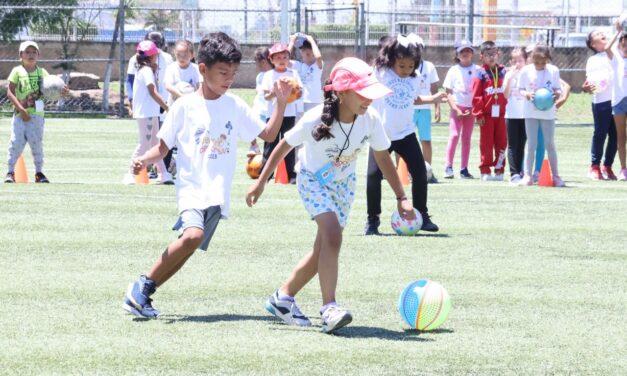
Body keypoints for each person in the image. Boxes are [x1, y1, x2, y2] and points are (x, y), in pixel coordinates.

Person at [122, 32, 292, 318]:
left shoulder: (234, 105)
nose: (229, 79)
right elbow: (162, 146)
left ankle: (144, 294)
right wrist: (143, 160)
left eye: (234, 73)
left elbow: (269, 133)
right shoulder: (184, 106)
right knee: (192, 235)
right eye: (223, 72)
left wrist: (282, 103)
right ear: (203, 70)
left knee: (189, 247)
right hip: (190, 188)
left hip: (216, 195)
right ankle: (139, 285)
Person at [245, 57, 415, 334]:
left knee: (324, 248)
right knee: (333, 236)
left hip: (343, 185)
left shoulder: (371, 119)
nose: (369, 100)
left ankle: (283, 298)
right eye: (363, 93)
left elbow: (384, 158)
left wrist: (401, 197)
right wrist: (261, 182)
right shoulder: (314, 118)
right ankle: (329, 308)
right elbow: (283, 146)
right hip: (312, 181)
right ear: (343, 91)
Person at [365, 33, 447, 235]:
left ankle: (423, 215)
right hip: (381, 134)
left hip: (406, 133)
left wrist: (434, 98)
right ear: (392, 60)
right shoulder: (381, 72)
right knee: (373, 177)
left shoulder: (416, 78)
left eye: (411, 66)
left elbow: (414, 99)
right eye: (402, 66)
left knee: (420, 173)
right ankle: (372, 221)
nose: (406, 70)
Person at [4, 41, 67, 184]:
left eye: (34, 52)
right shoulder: (17, 71)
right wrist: (21, 109)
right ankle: (10, 172)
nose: (31, 55)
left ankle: (39, 173)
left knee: (36, 143)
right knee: (16, 143)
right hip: (20, 115)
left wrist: (62, 92)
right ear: (20, 55)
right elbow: (10, 92)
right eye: (27, 52)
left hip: (37, 116)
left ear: (38, 55)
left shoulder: (42, 73)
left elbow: (51, 91)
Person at [122, 41, 173, 185]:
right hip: (147, 113)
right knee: (144, 145)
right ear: (151, 56)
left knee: (155, 144)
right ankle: (130, 173)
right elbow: (152, 91)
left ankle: (163, 174)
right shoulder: (146, 71)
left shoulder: (145, 70)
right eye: (155, 54)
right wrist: (166, 106)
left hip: (149, 112)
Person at [517, 43, 565, 187]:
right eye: (536, 62)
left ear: (548, 59)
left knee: (549, 143)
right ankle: (527, 175)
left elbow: (557, 88)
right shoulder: (526, 71)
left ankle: (556, 176)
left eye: (543, 62)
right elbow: (519, 89)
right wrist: (527, 94)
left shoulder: (553, 70)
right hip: (530, 112)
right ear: (531, 58)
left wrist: (557, 94)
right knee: (531, 144)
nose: (540, 65)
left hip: (548, 112)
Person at [260, 43, 303, 183]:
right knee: (270, 144)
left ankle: (291, 175)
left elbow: (300, 92)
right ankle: (265, 175)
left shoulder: (293, 74)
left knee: (289, 143)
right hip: (272, 115)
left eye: (285, 57)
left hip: (289, 114)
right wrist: (274, 93)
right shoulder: (268, 75)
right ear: (271, 60)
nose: (282, 60)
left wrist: (294, 92)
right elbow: (266, 96)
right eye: (278, 57)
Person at [582, 30, 618, 180]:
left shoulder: (616, 52)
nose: (602, 33)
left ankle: (607, 166)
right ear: (593, 44)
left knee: (616, 135)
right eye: (597, 34)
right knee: (600, 133)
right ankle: (594, 166)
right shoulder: (593, 60)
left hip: (617, 100)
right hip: (601, 101)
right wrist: (588, 87)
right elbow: (591, 83)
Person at [442, 40, 480, 179]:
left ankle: (464, 169)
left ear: (472, 53)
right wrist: (456, 109)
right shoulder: (453, 70)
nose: (465, 54)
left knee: (466, 138)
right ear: (457, 54)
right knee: (454, 135)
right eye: (462, 51)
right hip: (457, 108)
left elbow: (479, 91)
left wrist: (474, 108)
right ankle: (448, 166)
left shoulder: (478, 70)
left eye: (468, 51)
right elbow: (449, 92)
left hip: (471, 109)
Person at [471, 41, 508, 181]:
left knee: (502, 142)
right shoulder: (480, 73)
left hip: (502, 114)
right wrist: (478, 113)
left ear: (498, 54)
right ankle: (485, 170)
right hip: (486, 115)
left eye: (493, 54)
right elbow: (476, 95)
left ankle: (499, 170)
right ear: (481, 56)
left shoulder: (504, 71)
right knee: (486, 143)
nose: (491, 57)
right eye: (487, 55)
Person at [411, 36, 441, 184]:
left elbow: (434, 88)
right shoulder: (405, 65)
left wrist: (437, 107)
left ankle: (427, 172)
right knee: (403, 141)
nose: (416, 51)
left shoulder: (429, 66)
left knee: (426, 141)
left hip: (424, 109)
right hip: (408, 110)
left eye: (418, 48)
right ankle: (401, 171)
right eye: (413, 48)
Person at [603, 21, 627, 181]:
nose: (625, 47)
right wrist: (618, 32)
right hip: (618, 101)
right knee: (621, 136)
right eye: (623, 45)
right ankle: (624, 169)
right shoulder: (616, 59)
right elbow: (606, 48)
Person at [503, 46, 528, 185]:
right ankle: (513, 173)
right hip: (511, 114)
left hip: (525, 114)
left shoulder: (528, 73)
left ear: (526, 61)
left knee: (522, 144)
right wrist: (510, 79)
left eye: (520, 60)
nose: (517, 64)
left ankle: (521, 171)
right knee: (512, 145)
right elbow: (506, 95)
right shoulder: (508, 74)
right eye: (514, 61)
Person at [288, 33, 324, 112]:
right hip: (299, 101)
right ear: (301, 51)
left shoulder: (317, 66)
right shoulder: (298, 65)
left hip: (314, 101)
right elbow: (285, 60)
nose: (306, 51)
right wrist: (292, 42)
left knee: (314, 124)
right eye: (303, 49)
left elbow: (318, 57)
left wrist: (311, 40)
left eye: (310, 48)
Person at [164, 39, 201, 106]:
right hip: (174, 104)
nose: (181, 58)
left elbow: (200, 86)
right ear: (174, 53)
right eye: (178, 55)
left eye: (185, 55)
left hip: (191, 103)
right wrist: (182, 97)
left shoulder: (196, 69)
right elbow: (168, 86)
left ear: (192, 55)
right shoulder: (171, 68)